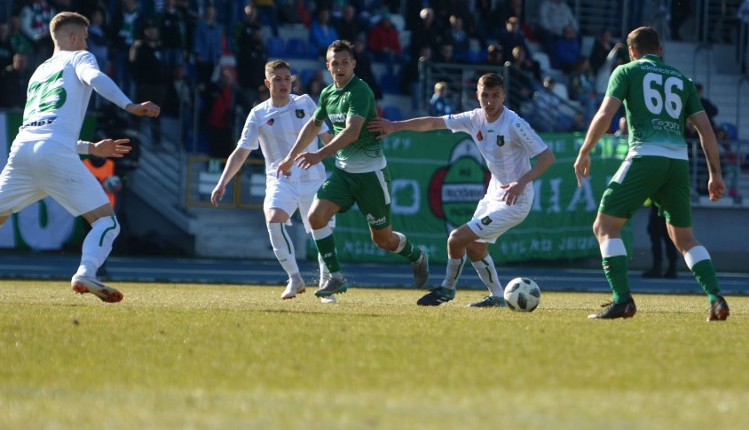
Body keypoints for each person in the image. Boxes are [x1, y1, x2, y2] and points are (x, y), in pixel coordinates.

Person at [0, 12, 161, 303]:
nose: (86, 44)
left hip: (22, 151)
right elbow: (95, 79)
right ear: (72, 38)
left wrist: (90, 148)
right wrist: (129, 105)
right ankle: (86, 271)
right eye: (83, 38)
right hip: (54, 153)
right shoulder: (80, 58)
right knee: (107, 223)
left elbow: (45, 125)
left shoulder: (39, 72)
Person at [573, 26, 729, 321]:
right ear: (660, 50)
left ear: (632, 51)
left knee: (605, 226)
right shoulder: (683, 80)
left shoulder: (626, 71)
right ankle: (715, 296)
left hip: (646, 156)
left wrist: (584, 151)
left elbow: (606, 115)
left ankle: (622, 300)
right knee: (685, 239)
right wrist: (715, 174)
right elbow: (706, 130)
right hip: (678, 163)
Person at [370, 73, 555, 307]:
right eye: (485, 95)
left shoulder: (514, 123)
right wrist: (395, 126)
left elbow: (547, 157)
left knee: (456, 239)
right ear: (476, 95)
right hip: (494, 194)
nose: (489, 102)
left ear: (504, 96)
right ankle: (498, 296)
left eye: (495, 96)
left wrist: (521, 183)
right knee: (476, 247)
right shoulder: (473, 118)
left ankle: (447, 289)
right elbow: (433, 122)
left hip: (516, 200)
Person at [277, 40, 430, 298]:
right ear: (327, 66)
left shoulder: (360, 91)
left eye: (345, 62)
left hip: (371, 175)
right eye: (334, 63)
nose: (339, 67)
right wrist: (291, 156)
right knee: (315, 216)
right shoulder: (327, 94)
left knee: (383, 240)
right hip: (344, 173)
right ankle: (335, 276)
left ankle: (417, 255)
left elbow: (352, 131)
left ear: (353, 64)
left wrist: (319, 155)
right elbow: (313, 126)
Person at [211, 60, 337, 302]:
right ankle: (295, 278)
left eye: (287, 78)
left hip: (313, 178)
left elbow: (327, 137)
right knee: (273, 219)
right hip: (281, 180)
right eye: (277, 79)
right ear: (267, 83)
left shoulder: (306, 103)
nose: (283, 83)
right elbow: (241, 152)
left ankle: (326, 285)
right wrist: (222, 181)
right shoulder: (258, 113)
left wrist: (344, 155)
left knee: (323, 231)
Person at [644, 204, 679, 279]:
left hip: (657, 209)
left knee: (656, 240)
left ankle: (657, 268)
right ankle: (672, 268)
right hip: (671, 210)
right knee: (670, 241)